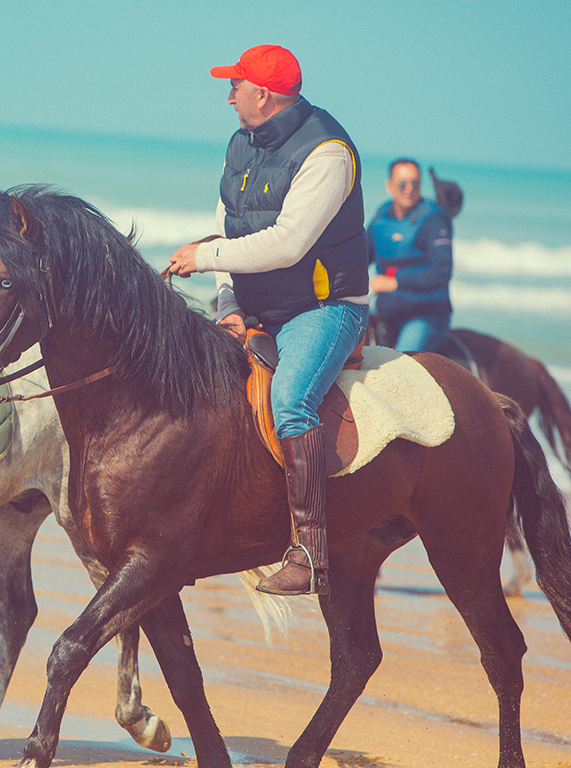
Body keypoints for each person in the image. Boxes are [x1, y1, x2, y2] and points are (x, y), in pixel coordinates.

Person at [168, 45, 369, 596]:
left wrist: (204, 257)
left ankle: (309, 551)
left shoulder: (327, 153)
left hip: (323, 310)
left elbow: (286, 245)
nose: (228, 94)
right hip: (255, 307)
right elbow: (227, 229)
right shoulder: (242, 142)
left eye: (235, 86)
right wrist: (228, 304)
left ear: (264, 95)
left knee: (291, 399)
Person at [367, 158, 453, 352]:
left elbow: (442, 272)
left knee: (402, 366)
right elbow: (359, 259)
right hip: (385, 313)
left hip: (425, 316)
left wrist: (395, 283)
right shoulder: (381, 218)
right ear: (389, 185)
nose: (409, 189)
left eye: (415, 183)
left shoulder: (434, 220)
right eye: (402, 183)